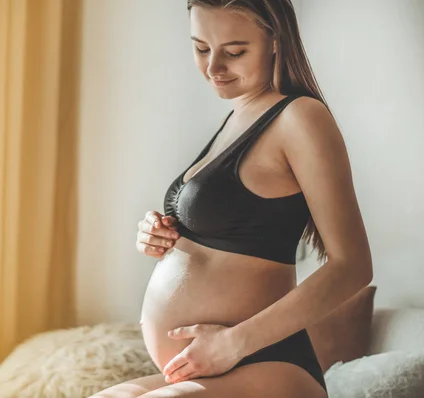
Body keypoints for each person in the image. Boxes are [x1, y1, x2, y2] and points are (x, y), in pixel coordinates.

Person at [91, 1, 372, 397]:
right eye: (201, 48)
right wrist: (158, 234)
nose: (213, 68)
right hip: (209, 374)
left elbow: (353, 266)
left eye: (234, 51)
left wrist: (232, 343)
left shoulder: (300, 117)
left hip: (265, 363)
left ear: (276, 39)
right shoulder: (238, 117)